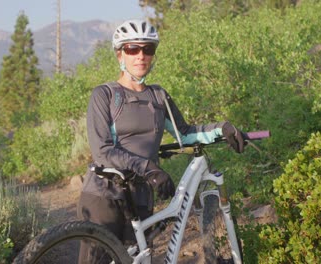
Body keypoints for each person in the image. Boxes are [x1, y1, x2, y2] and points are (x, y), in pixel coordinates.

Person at [77, 19, 245, 263]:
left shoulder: (158, 95)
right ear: (119, 55)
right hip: (105, 194)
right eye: (133, 49)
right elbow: (102, 151)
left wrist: (223, 128)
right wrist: (149, 168)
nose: (141, 55)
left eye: (148, 49)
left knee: (138, 258)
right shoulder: (105, 95)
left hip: (142, 194)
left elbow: (185, 132)